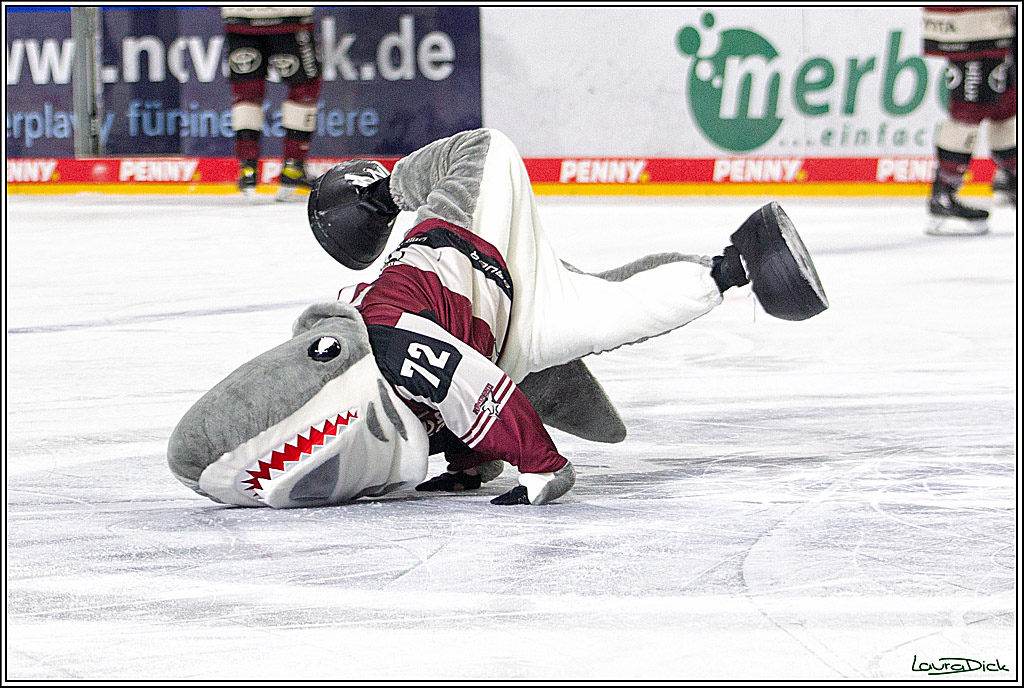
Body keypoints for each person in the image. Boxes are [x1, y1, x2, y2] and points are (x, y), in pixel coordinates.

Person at [296, 128, 829, 505]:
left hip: (460, 257)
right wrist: (473, 462)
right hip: (504, 334)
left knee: (490, 152)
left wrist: (390, 191)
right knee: (617, 308)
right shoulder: (371, 367)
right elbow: (450, 382)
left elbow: (485, 149)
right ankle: (734, 268)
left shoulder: (368, 330)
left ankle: (735, 264)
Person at [922, 5, 1017, 236]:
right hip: (970, 21)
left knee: (1005, 103)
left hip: (991, 22)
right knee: (970, 109)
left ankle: (1011, 176)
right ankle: (944, 194)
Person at [222, 6, 322, 198]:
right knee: (304, 88)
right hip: (288, 16)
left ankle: (248, 169)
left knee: (247, 92)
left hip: (239, 16)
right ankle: (293, 167)